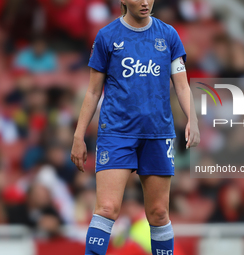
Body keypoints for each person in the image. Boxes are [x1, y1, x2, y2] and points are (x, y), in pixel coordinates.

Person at [70, 1, 200, 255]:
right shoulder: (107, 36)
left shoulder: (169, 35)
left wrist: (192, 119)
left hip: (158, 134)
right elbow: (94, 90)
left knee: (159, 212)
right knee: (107, 209)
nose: (145, 2)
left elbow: (182, 86)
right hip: (116, 133)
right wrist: (78, 134)